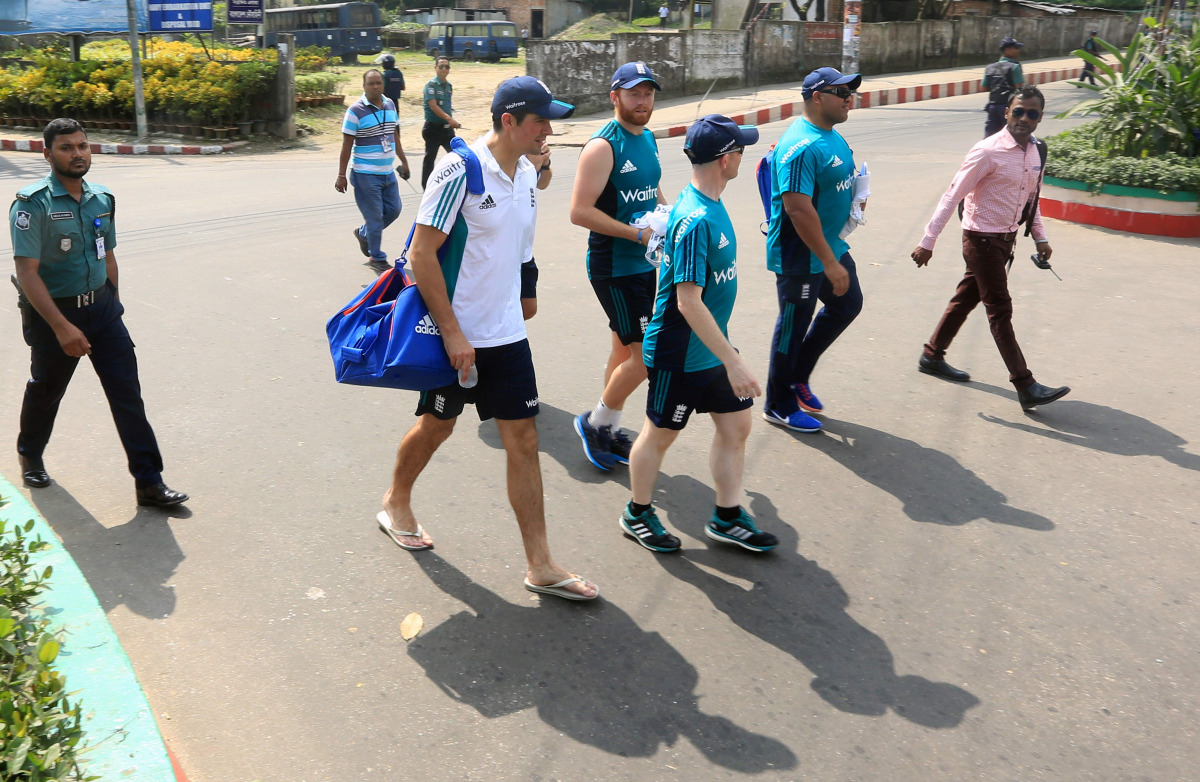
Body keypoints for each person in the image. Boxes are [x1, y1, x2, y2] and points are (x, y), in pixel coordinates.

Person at [378, 76, 598, 601]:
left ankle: (540, 565)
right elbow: (420, 255)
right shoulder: (460, 171)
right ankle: (395, 501)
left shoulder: (524, 171)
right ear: (509, 121)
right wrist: (453, 333)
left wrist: (526, 290)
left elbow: (521, 244)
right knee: (437, 427)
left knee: (524, 439)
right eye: (541, 120)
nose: (549, 129)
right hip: (455, 336)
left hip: (506, 334)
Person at [9, 118, 187, 507]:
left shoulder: (102, 198)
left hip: (103, 310)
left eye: (82, 146)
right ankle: (30, 453)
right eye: (66, 148)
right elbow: (27, 273)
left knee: (127, 394)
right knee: (47, 389)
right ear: (47, 154)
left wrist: (114, 302)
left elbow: (107, 254)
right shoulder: (31, 203)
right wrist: (61, 327)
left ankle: (149, 482)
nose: (77, 154)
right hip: (54, 316)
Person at [621, 115, 777, 555]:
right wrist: (734, 360)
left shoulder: (708, 203)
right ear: (726, 159)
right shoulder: (695, 220)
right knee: (660, 434)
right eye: (740, 150)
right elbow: (688, 302)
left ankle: (726, 516)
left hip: (709, 347)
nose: (743, 156)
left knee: (737, 425)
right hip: (679, 353)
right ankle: (637, 513)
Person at [911, 86, 1070, 411]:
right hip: (981, 239)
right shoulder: (987, 151)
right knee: (999, 308)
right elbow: (952, 196)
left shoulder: (1039, 150)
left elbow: (1032, 199)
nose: (1024, 119)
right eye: (1019, 111)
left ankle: (932, 355)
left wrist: (1040, 237)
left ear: (1039, 118)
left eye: (1032, 113)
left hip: (1006, 240)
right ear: (1006, 112)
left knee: (965, 298)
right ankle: (1025, 384)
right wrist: (928, 241)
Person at [568, 62, 666, 472]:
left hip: (645, 261)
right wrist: (636, 234)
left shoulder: (648, 139)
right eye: (633, 94)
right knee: (646, 356)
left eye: (647, 93)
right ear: (615, 97)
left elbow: (654, 192)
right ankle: (595, 422)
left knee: (622, 350)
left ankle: (608, 426)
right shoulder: (602, 147)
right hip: (614, 267)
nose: (642, 101)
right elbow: (579, 212)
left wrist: (670, 222)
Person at [762, 66, 864, 434]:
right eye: (841, 92)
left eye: (850, 92)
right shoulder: (801, 146)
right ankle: (778, 404)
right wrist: (828, 262)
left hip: (830, 245)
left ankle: (797, 376)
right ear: (817, 97)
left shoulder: (832, 136)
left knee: (848, 303)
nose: (849, 98)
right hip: (802, 254)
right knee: (792, 327)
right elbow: (797, 208)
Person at [336, 69, 411, 274]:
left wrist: (403, 161)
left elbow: (394, 135)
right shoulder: (354, 111)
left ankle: (363, 234)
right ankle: (377, 257)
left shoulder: (390, 105)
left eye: (378, 83)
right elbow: (346, 145)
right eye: (371, 84)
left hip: (387, 172)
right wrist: (341, 175)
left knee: (394, 210)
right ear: (364, 86)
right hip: (365, 174)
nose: (375, 86)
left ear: (383, 85)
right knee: (375, 218)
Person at [421, 57, 460, 188]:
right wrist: (449, 119)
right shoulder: (431, 85)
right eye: (441, 66)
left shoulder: (448, 86)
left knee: (459, 156)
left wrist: (452, 120)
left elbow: (447, 106)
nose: (444, 69)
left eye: (447, 67)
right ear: (435, 68)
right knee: (430, 159)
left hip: (447, 130)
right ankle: (427, 188)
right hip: (433, 128)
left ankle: (458, 183)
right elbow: (433, 106)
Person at [983, 37, 1025, 138]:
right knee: (1010, 136)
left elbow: (984, 87)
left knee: (990, 137)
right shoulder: (1014, 67)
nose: (1018, 51)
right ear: (1007, 50)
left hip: (993, 106)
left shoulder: (990, 67)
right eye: (1015, 48)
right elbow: (1019, 87)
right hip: (1008, 107)